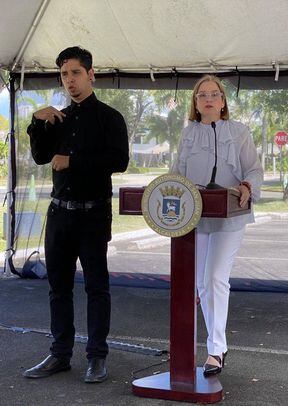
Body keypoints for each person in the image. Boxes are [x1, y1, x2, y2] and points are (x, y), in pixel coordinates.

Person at [24, 46, 129, 383]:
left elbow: (119, 161)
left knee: (97, 288)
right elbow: (41, 157)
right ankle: (59, 354)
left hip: (93, 216)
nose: (70, 79)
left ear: (91, 74)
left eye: (76, 73)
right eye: (64, 74)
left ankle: (97, 357)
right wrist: (36, 123)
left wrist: (74, 161)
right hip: (59, 216)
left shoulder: (110, 118)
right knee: (58, 289)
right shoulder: (59, 118)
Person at [171, 75, 263, 376]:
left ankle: (214, 350)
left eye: (214, 94)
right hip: (195, 216)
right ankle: (219, 345)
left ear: (223, 102)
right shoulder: (188, 134)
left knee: (215, 279)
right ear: (195, 104)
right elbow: (177, 174)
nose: (208, 99)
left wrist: (248, 185)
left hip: (229, 215)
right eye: (202, 95)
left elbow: (253, 168)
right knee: (200, 283)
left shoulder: (238, 131)